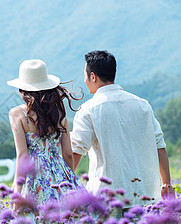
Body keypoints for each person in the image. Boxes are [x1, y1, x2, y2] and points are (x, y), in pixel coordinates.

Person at [71, 50, 174, 207]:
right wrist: (166, 184)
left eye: (85, 75)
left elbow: (76, 151)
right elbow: (160, 146)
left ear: (93, 77)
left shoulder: (88, 110)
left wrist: (62, 186)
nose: (84, 80)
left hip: (107, 200)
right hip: (145, 197)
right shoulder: (142, 105)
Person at [7, 59, 84, 216]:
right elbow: (68, 153)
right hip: (60, 174)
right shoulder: (59, 112)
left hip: (34, 177)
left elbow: (22, 156)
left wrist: (17, 192)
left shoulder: (17, 114)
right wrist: (67, 179)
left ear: (23, 89)